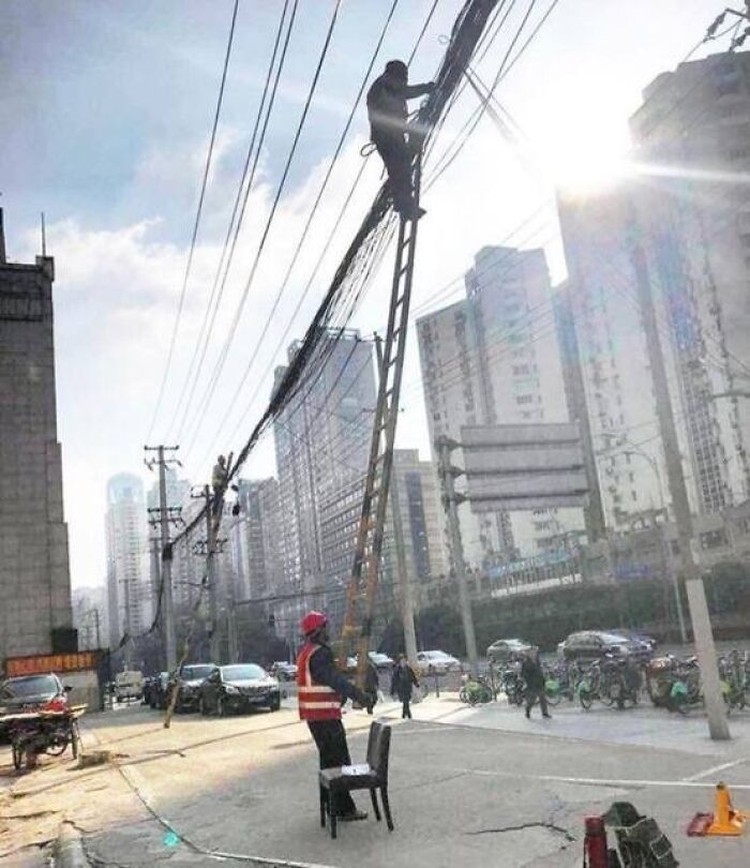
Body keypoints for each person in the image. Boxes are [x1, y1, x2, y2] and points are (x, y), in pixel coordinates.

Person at [296, 611, 371, 822]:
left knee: (328, 763)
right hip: (325, 718)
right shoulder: (320, 654)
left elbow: (326, 681)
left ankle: (332, 806)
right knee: (338, 765)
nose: (329, 631)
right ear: (318, 631)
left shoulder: (306, 652)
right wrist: (359, 695)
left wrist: (340, 696)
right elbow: (333, 680)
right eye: (326, 627)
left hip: (317, 717)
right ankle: (343, 809)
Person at [366, 59, 435, 219]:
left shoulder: (385, 86)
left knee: (402, 165)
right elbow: (403, 92)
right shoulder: (386, 84)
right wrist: (426, 88)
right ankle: (404, 206)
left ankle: (405, 203)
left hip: (391, 134)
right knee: (401, 166)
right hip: (387, 135)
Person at [521, 647, 550, 719]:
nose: (533, 654)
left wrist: (543, 678)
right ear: (528, 654)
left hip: (540, 682)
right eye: (532, 653)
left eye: (534, 652)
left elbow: (540, 670)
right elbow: (524, 674)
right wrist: (529, 682)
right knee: (532, 700)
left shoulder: (537, 661)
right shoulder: (526, 663)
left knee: (542, 698)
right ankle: (527, 710)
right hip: (532, 684)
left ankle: (545, 713)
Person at [390, 654, 420, 719]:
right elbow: (394, 680)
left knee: (406, 701)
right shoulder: (397, 670)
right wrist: (392, 691)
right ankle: (408, 715)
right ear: (400, 662)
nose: (403, 662)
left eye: (404, 660)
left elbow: (413, 677)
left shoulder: (408, 669)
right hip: (401, 689)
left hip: (408, 688)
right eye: (402, 661)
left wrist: (416, 684)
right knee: (405, 701)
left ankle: (404, 714)